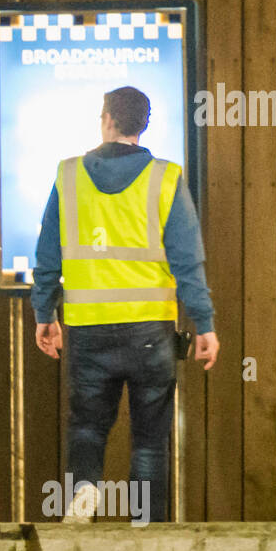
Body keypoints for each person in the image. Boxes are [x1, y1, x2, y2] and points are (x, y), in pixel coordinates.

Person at [31, 86, 218, 525]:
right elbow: (187, 259)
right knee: (150, 439)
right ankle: (147, 528)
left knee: (87, 427)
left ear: (108, 118)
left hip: (89, 328)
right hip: (150, 332)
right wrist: (204, 323)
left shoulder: (69, 174)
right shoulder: (166, 177)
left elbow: (47, 254)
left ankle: (81, 504)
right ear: (142, 125)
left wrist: (45, 314)